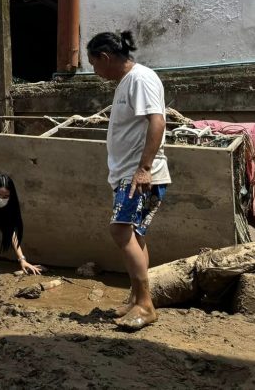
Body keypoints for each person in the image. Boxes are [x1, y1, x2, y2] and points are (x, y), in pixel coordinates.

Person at [87, 30, 171, 331]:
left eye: (94, 64)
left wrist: (144, 168)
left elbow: (157, 121)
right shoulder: (127, 82)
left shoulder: (140, 79)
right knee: (133, 234)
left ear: (105, 57)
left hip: (138, 174)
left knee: (120, 230)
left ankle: (146, 305)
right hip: (130, 173)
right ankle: (137, 299)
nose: (95, 71)